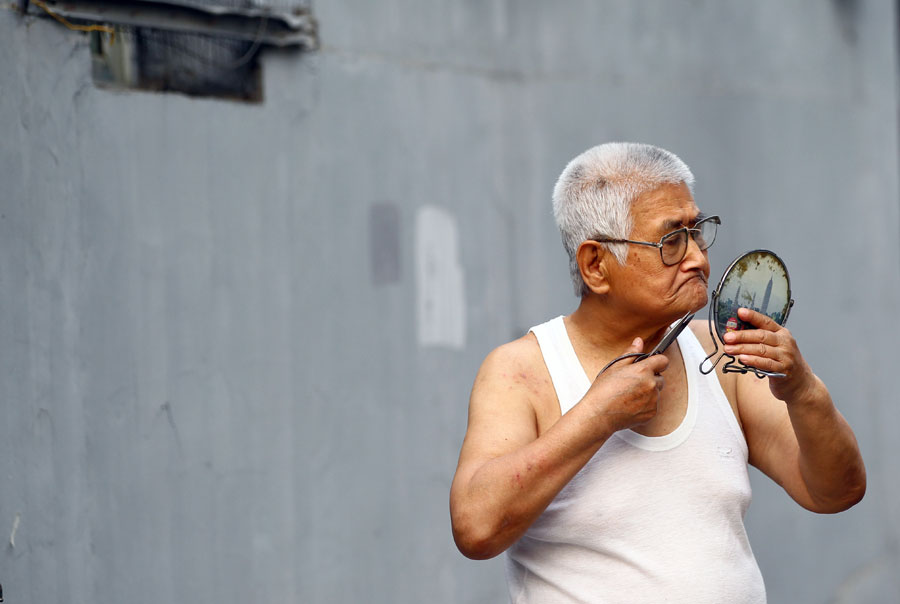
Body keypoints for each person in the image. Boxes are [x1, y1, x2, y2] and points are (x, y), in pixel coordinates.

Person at [448, 143, 866, 603]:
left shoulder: (721, 352)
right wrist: (598, 416)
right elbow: (476, 528)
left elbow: (836, 492)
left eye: (698, 231)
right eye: (671, 241)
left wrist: (803, 389)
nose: (698, 259)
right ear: (595, 266)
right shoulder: (524, 370)